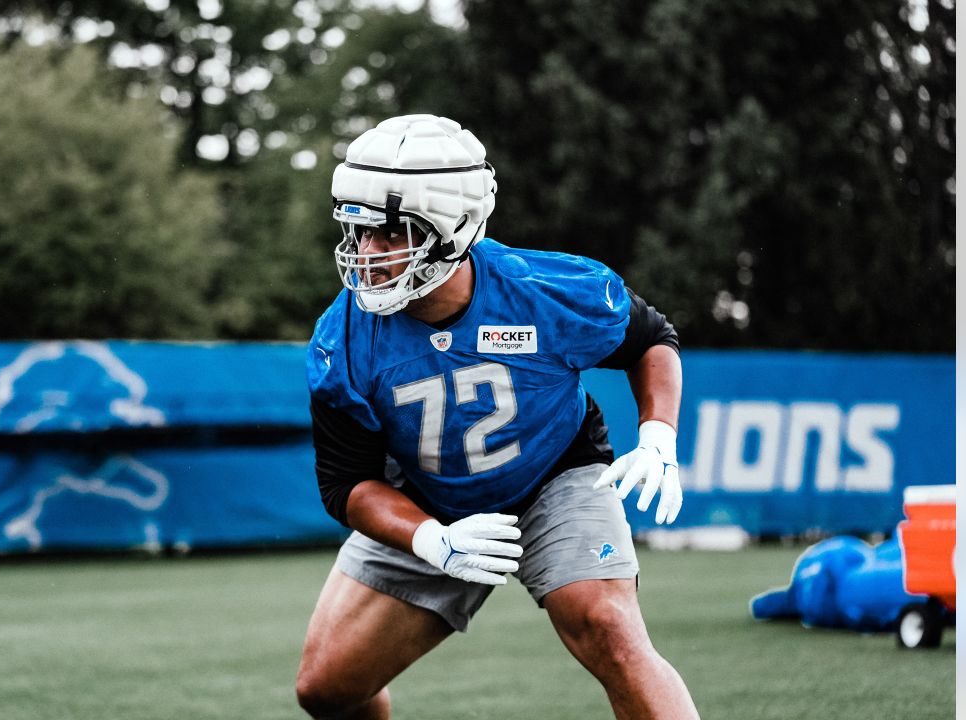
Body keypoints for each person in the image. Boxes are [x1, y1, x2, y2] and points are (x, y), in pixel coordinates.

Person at [296, 114, 700, 720]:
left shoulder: (540, 288)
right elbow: (347, 482)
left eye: (391, 233)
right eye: (358, 231)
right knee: (327, 689)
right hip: (428, 497)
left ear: (451, 227)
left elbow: (650, 340)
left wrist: (658, 436)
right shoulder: (344, 339)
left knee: (610, 631)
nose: (367, 254)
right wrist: (431, 538)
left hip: (553, 476)